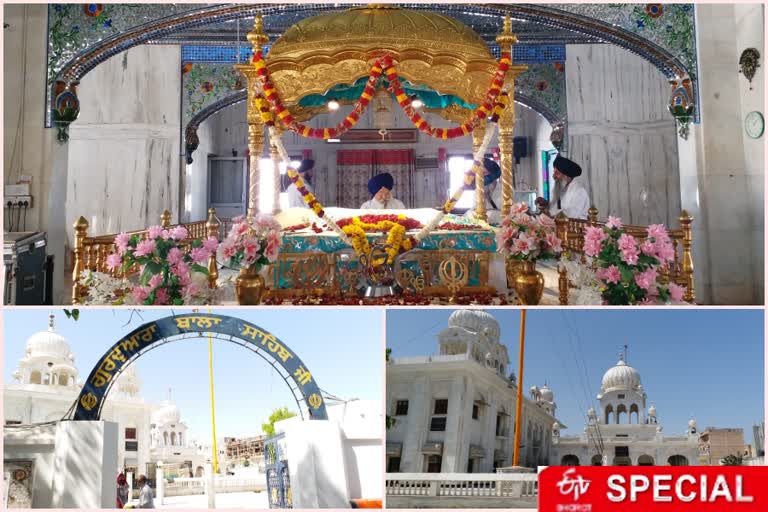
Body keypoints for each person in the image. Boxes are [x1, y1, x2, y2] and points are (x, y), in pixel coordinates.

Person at [535, 155, 589, 219]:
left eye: (557, 173)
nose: (553, 176)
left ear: (566, 175)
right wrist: (546, 204)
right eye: (554, 172)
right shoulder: (563, 189)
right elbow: (557, 208)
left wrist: (548, 214)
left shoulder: (579, 191)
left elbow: (571, 214)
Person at [466, 158, 503, 224]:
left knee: (492, 214)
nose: (482, 177)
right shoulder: (477, 190)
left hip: (500, 227)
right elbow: (474, 209)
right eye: (479, 174)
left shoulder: (504, 190)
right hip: (483, 227)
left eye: (484, 173)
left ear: (493, 174)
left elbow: (509, 213)